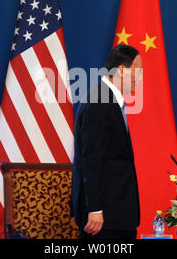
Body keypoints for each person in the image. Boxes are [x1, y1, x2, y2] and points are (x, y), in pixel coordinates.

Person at [71, 44, 143, 239]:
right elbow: (90, 159)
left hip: (117, 214)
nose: (140, 77)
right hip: (104, 218)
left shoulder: (108, 98)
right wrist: (94, 208)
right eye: (138, 70)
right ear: (121, 69)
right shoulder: (99, 101)